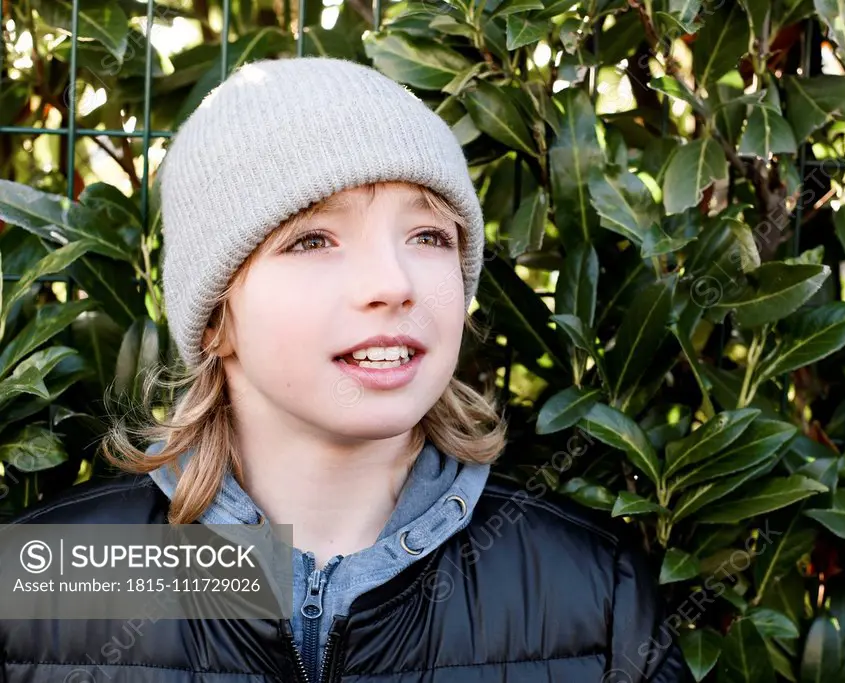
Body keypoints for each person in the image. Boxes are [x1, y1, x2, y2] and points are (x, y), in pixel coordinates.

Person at [0, 57, 684, 683]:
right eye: (313, 239)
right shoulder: (46, 579)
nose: (393, 282)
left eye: (428, 236)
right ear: (214, 317)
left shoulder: (596, 590)